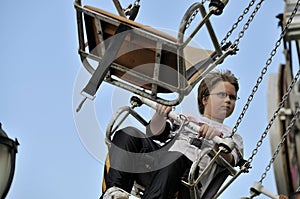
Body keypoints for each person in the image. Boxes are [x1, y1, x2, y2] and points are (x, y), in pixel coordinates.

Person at [100, 69, 244, 199]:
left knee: (174, 155)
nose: (227, 100)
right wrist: (160, 114)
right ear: (205, 99)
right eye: (222, 95)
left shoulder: (232, 136)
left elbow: (230, 160)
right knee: (128, 133)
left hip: (187, 179)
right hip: (158, 163)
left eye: (232, 97)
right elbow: (156, 134)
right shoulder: (185, 118)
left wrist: (216, 141)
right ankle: (114, 191)